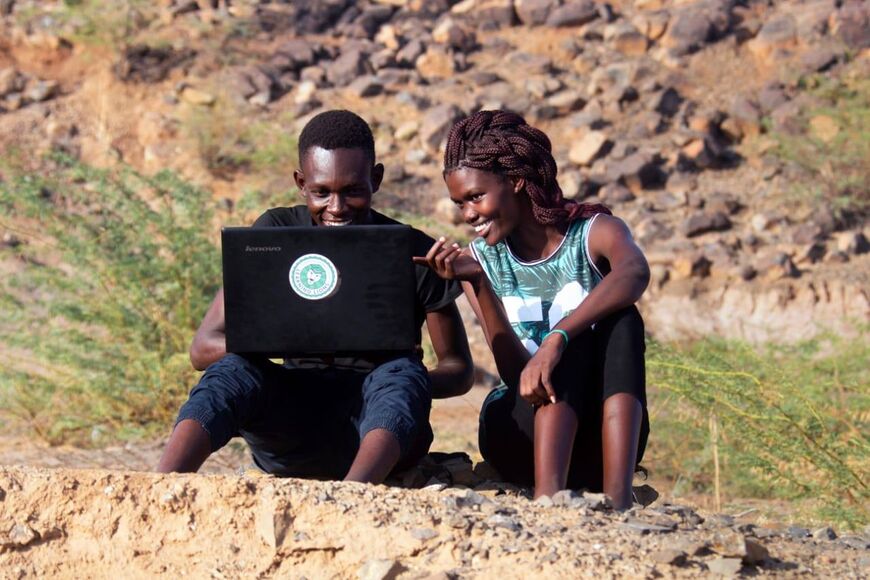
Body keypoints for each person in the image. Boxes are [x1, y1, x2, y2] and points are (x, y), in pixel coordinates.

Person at [158, 110, 474, 483]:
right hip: (293, 427)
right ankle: (160, 490)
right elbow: (203, 349)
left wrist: (405, 381)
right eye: (321, 192)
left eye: (353, 191)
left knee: (402, 369)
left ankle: (352, 498)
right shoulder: (274, 236)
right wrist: (277, 345)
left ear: (376, 179)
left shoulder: (413, 251)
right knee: (233, 370)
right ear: (301, 182)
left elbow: (459, 370)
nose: (336, 208)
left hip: (380, 431)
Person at [414, 110, 650, 509]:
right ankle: (547, 500)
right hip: (521, 435)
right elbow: (512, 376)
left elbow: (635, 271)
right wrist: (477, 283)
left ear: (516, 181)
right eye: (459, 204)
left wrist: (557, 337)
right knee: (563, 349)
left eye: (475, 197)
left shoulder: (593, 233)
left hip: (600, 440)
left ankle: (619, 501)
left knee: (618, 320)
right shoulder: (480, 261)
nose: (468, 215)